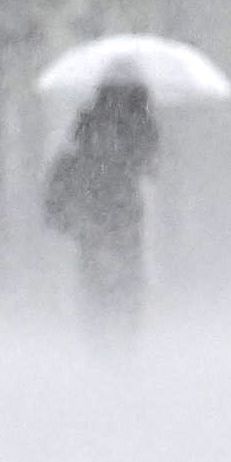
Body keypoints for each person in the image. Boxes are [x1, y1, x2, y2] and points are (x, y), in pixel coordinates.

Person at [44, 73, 159, 341]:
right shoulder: (133, 133)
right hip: (117, 233)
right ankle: (117, 354)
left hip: (99, 234)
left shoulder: (86, 138)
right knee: (120, 305)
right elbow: (150, 167)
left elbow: (56, 207)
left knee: (100, 305)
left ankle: (103, 353)